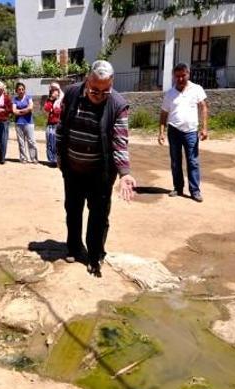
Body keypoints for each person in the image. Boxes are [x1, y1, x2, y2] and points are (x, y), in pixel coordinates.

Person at [56, 60, 137, 277]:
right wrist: (59, 156)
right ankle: (74, 247)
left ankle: (94, 255)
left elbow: (120, 142)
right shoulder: (72, 93)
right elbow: (62, 126)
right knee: (72, 210)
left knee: (99, 216)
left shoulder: (118, 105)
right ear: (87, 80)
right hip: (72, 169)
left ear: (111, 84)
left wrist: (125, 173)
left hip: (100, 172)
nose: (99, 95)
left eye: (105, 91)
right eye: (94, 90)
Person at [158, 62, 208, 202]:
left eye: (183, 75)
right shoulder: (170, 93)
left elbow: (203, 107)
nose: (180, 79)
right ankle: (178, 188)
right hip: (173, 131)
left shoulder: (196, 89)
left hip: (191, 132)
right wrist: (161, 132)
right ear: (174, 76)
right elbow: (163, 114)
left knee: (193, 162)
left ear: (188, 74)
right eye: (177, 76)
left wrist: (204, 128)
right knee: (175, 162)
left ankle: (195, 191)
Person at [12, 82, 38, 164]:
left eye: (22, 89)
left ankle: (33, 158)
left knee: (32, 141)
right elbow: (14, 111)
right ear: (16, 91)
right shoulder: (15, 99)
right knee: (21, 142)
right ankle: (23, 158)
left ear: (24, 90)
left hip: (29, 122)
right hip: (18, 123)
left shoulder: (28, 98)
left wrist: (20, 111)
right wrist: (25, 111)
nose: (21, 91)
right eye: (19, 89)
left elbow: (30, 108)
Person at [43, 82, 63, 167]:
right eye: (52, 91)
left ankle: (56, 159)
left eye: (56, 91)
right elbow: (46, 109)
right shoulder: (49, 100)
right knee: (49, 142)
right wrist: (51, 102)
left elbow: (59, 111)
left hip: (57, 124)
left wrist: (53, 110)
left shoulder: (61, 101)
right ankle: (51, 159)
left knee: (56, 142)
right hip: (50, 124)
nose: (54, 93)